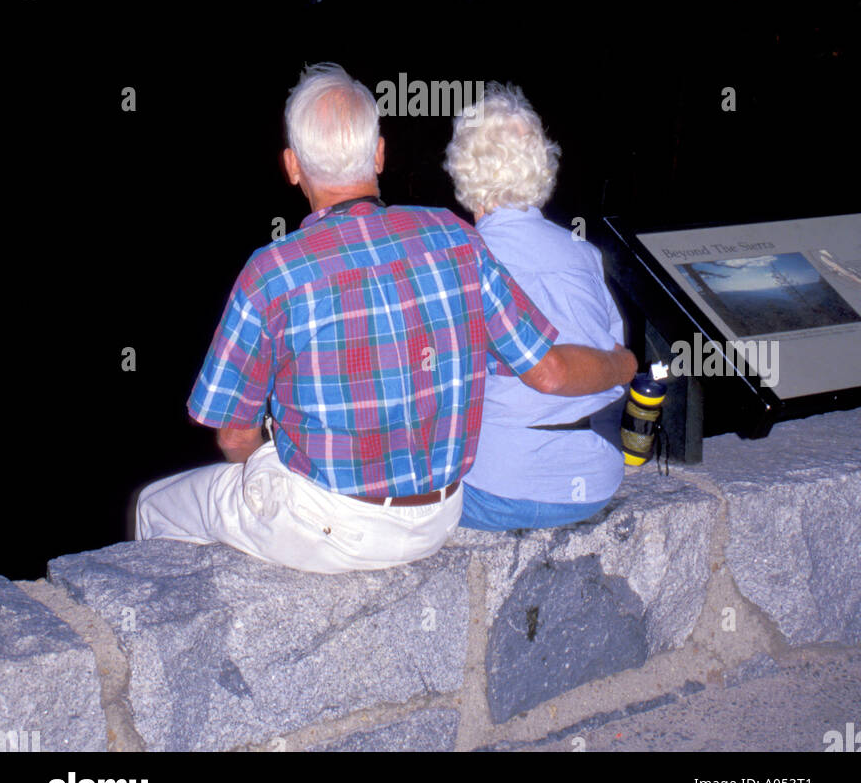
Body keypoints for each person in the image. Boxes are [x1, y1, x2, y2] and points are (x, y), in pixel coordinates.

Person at [135, 64, 636, 572]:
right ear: (378, 153)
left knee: (156, 503)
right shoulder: (456, 239)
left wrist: (270, 473)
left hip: (332, 523)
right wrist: (623, 366)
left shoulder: (272, 272)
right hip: (441, 515)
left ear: (291, 166)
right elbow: (545, 368)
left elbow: (233, 437)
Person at [444, 82, 629, 531]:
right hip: (596, 479)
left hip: (498, 490)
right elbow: (613, 356)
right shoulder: (583, 254)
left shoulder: (461, 260)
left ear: (463, 173)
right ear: (542, 167)